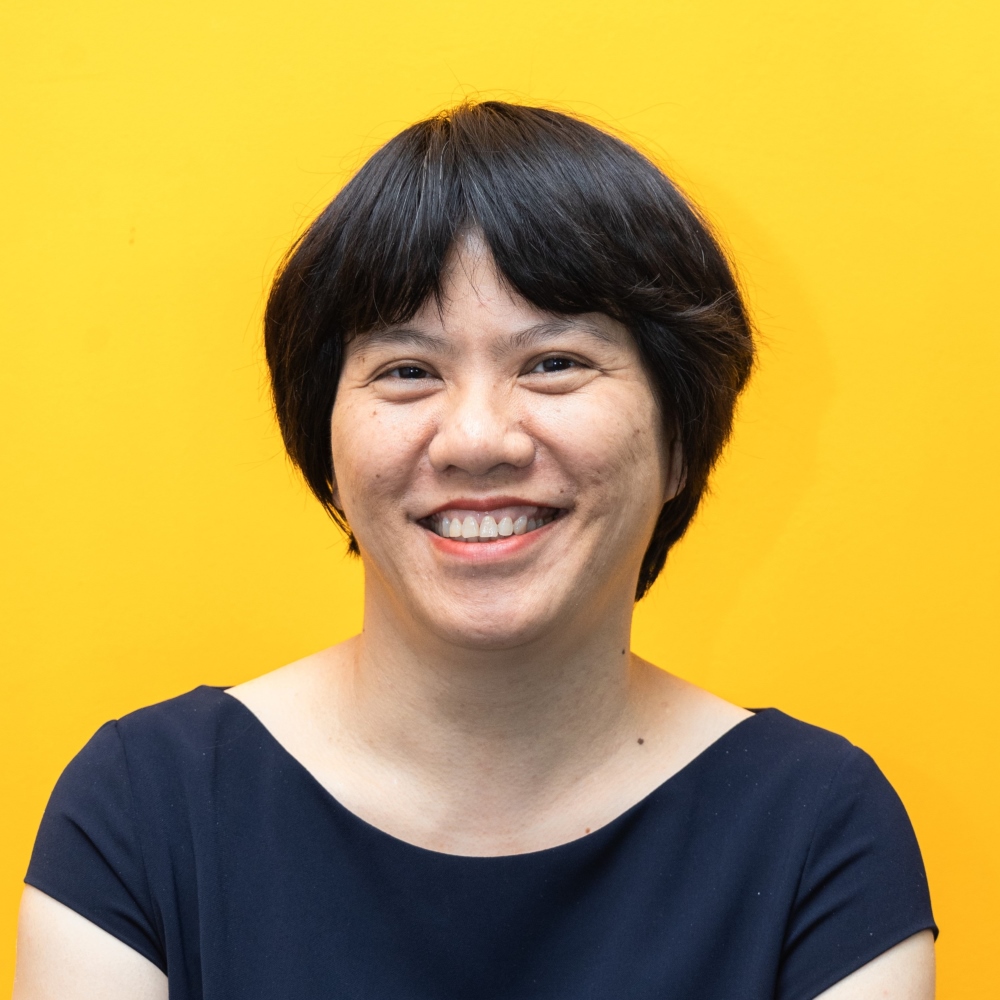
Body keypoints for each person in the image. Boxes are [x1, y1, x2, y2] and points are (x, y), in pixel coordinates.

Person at [14, 102, 936, 1000]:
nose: (476, 439)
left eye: (554, 363)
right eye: (407, 371)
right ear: (326, 451)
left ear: (682, 440)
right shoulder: (145, 807)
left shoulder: (819, 829)